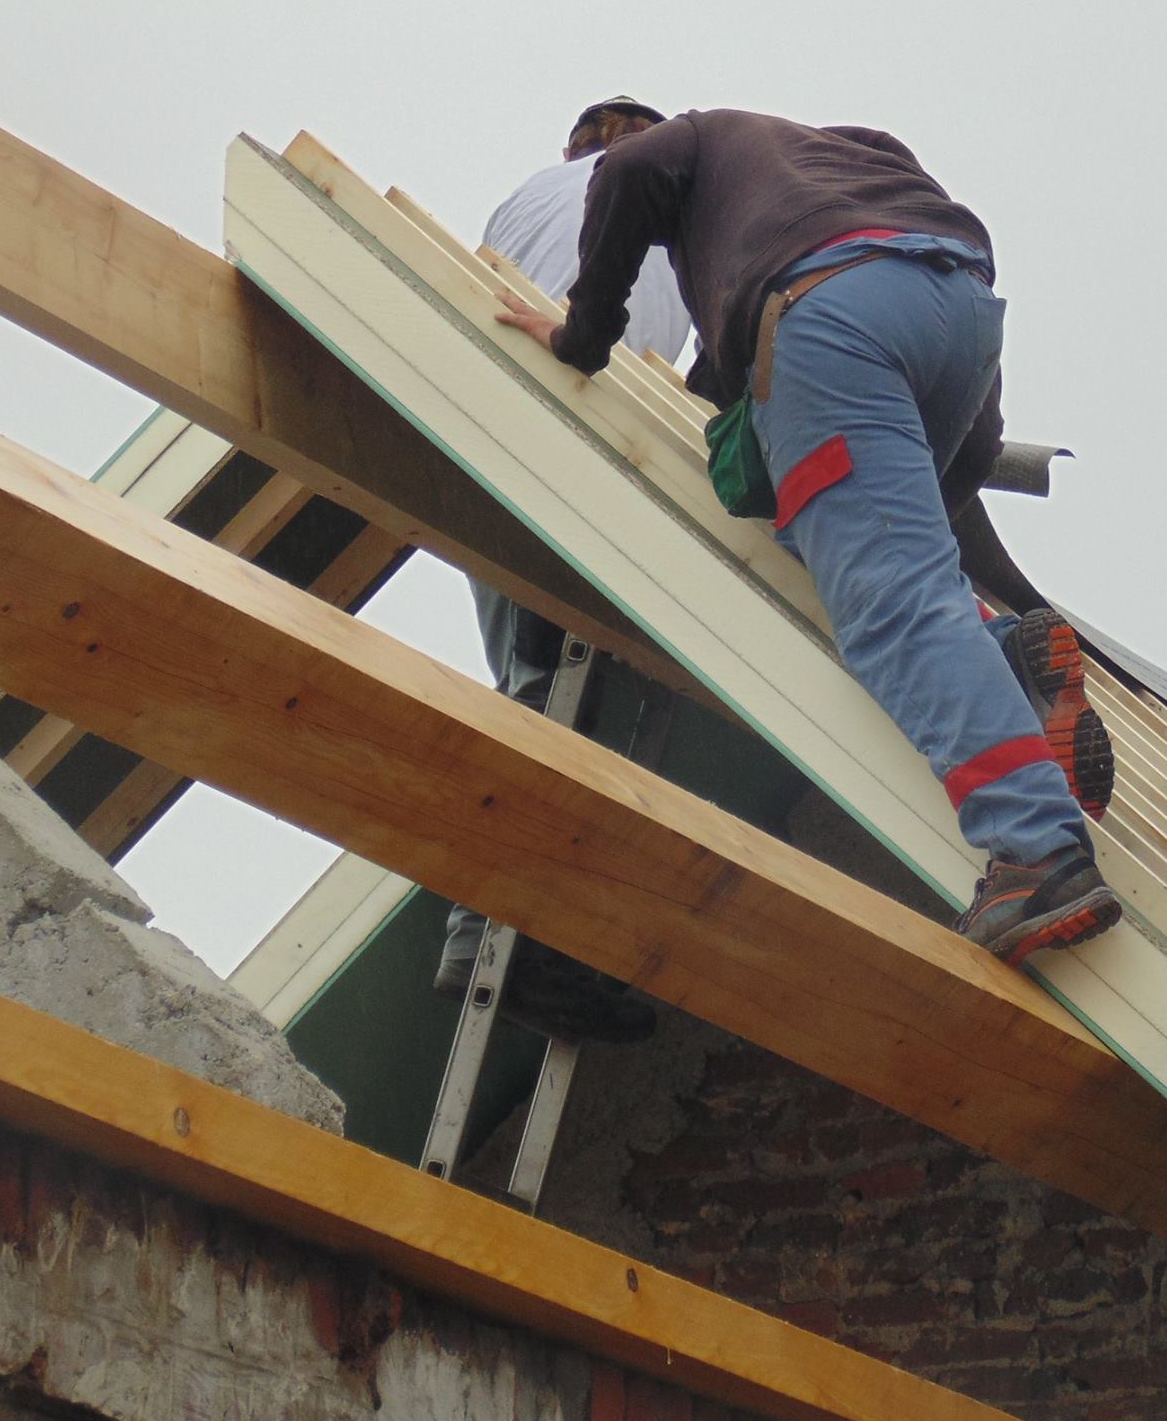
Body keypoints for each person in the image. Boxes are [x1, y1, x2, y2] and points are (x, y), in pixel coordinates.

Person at [494, 109, 1119, 968]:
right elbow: (967, 450)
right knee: (835, 534)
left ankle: (1038, 850)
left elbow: (631, 168)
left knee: (891, 606)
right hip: (957, 308)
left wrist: (581, 338)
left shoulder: (699, 140)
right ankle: (1006, 655)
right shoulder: (836, 163)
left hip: (830, 315)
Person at [434, 98, 694, 1043]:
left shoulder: (524, 200)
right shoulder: (668, 210)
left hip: (482, 439)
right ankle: (505, 943)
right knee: (560, 697)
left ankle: (497, 933)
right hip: (580, 429)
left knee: (535, 684)